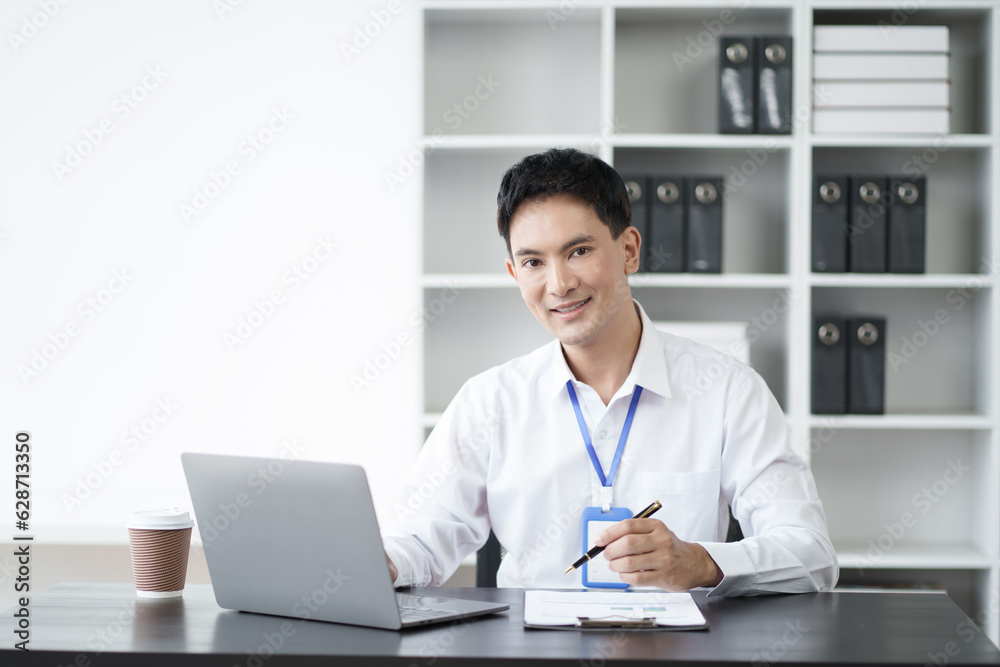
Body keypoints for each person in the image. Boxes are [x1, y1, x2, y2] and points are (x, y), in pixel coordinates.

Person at [382, 147, 838, 595]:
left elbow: (811, 554)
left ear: (629, 250)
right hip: (530, 654)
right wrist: (380, 563)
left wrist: (699, 561)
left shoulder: (728, 391)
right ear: (514, 273)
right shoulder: (489, 401)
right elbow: (420, 540)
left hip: (676, 652)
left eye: (578, 251)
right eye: (533, 262)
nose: (559, 284)